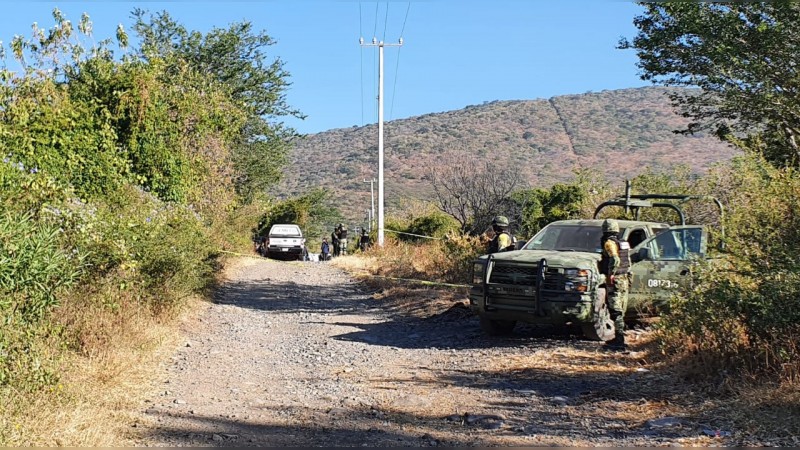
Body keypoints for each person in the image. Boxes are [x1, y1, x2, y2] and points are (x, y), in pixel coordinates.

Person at [599, 218, 631, 351]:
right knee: (621, 309)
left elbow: (615, 259)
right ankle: (620, 338)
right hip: (624, 278)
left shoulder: (609, 243)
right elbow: (627, 260)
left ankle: (619, 340)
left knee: (615, 310)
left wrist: (611, 273)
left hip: (616, 279)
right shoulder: (623, 243)